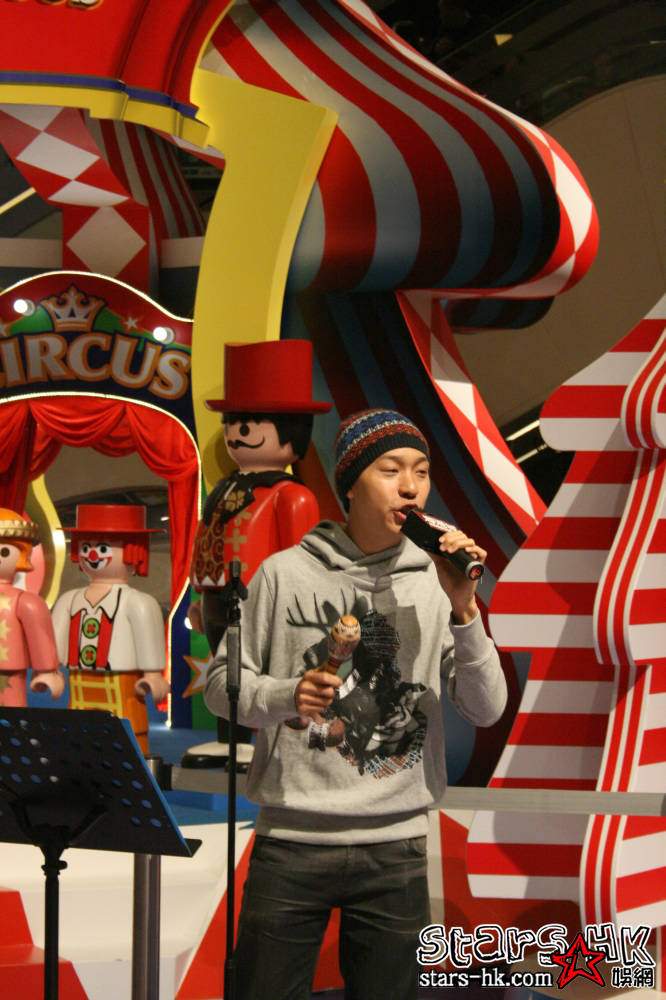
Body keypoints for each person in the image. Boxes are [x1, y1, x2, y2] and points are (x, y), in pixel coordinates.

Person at [205, 408, 507, 1000]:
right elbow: (222, 684)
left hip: (397, 845)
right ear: (350, 483)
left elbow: (486, 708)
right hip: (291, 840)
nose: (410, 486)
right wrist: (285, 695)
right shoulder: (283, 574)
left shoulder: (437, 580)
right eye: (390, 470)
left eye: (421, 471)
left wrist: (466, 609)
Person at [186, 339, 330, 765]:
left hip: (264, 605)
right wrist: (200, 596)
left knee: (262, 674)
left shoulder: (292, 496)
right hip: (218, 597)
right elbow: (207, 541)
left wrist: (294, 613)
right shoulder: (224, 490)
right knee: (222, 671)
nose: (235, 434)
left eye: (247, 426)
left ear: (291, 432)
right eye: (232, 424)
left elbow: (305, 565)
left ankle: (261, 742)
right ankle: (229, 739)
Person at [51, 504, 169, 754]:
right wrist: (50, 670)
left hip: (123, 682)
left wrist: (153, 674)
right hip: (79, 679)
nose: (93, 554)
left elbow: (148, 639)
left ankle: (132, 768)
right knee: (79, 730)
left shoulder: (138, 602)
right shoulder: (69, 599)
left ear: (134, 551)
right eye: (86, 547)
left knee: (129, 730)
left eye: (103, 548)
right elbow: (55, 639)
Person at [0, 508, 64, 706]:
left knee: (12, 712)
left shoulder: (25, 601)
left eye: (4, 551)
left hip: (9, 674)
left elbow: (39, 635)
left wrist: (47, 669)